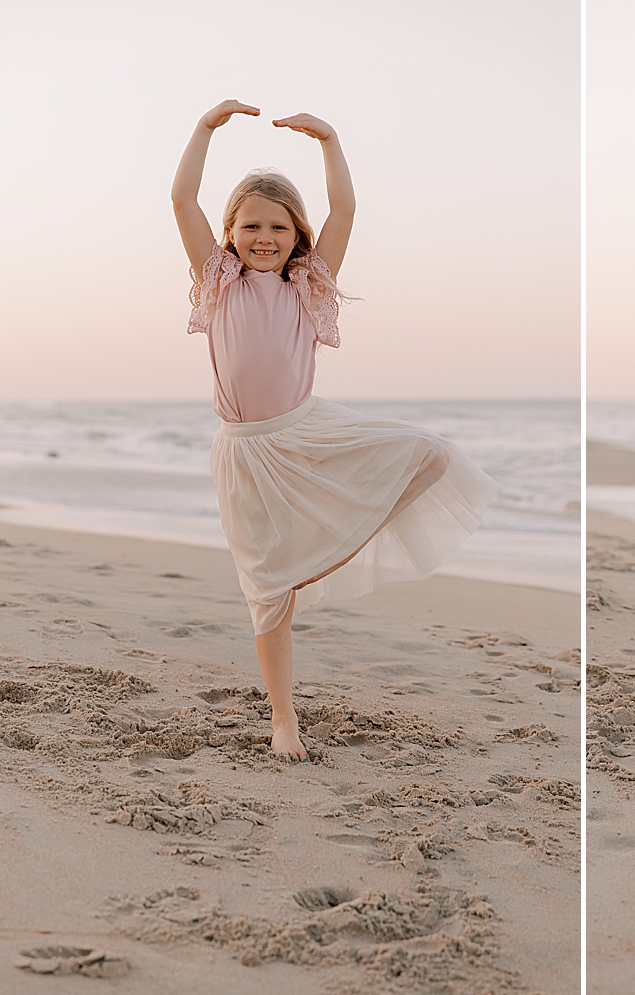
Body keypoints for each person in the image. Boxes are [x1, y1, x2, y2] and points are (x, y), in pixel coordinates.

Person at [172, 99, 499, 762]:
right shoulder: (219, 282)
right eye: (252, 226)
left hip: (305, 433)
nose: (266, 237)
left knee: (431, 456)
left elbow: (345, 211)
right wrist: (205, 129)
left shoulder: (306, 287)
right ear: (231, 232)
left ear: (297, 235)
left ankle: (327, 547)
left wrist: (330, 139)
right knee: (268, 595)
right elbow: (181, 198)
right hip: (244, 453)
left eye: (280, 227)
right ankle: (283, 717)